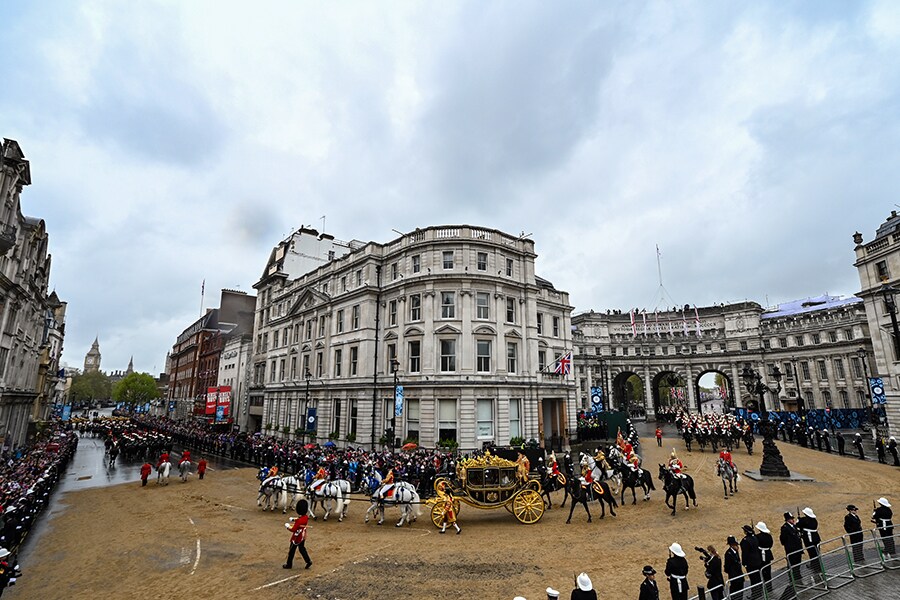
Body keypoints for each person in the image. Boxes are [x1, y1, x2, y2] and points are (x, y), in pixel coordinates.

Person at [283, 499, 312, 570]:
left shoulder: (299, 521)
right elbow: (300, 519)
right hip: (302, 535)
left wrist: (287, 527)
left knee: (291, 551)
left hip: (296, 537)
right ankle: (308, 561)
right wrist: (294, 519)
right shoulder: (305, 517)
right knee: (302, 549)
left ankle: (289, 564)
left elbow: (293, 529)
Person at [780, 512, 804, 583]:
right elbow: (783, 539)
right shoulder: (785, 528)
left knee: (798, 562)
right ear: (787, 520)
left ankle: (797, 575)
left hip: (798, 548)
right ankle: (792, 577)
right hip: (791, 549)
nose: (793, 520)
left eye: (793, 518)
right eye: (791, 519)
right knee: (792, 564)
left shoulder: (794, 526)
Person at [797, 507, 821, 573]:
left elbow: (798, 525)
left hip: (809, 538)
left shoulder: (804, 520)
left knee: (811, 553)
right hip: (816, 537)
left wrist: (798, 521)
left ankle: (815, 567)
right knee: (816, 552)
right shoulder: (814, 520)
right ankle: (816, 565)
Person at [740, 524, 762, 594]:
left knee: (753, 578)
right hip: (757, 560)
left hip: (751, 563)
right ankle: (759, 592)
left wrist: (744, 563)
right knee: (758, 577)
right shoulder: (755, 538)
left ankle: (755, 594)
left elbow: (745, 553)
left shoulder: (745, 541)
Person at [723, 536, 743, 600]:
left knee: (740, 591)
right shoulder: (728, 554)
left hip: (739, 575)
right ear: (731, 545)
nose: (737, 546)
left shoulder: (736, 551)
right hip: (733, 576)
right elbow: (727, 566)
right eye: (736, 545)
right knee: (734, 592)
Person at [755, 522, 774, 588]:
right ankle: (769, 586)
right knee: (768, 570)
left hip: (761, 554)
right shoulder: (769, 536)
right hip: (768, 554)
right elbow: (771, 544)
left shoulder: (757, 537)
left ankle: (762, 586)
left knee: (761, 570)